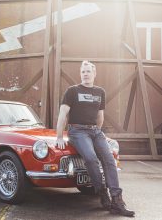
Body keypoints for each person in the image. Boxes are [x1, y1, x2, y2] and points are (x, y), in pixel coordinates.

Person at [56, 60, 135, 217]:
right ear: (80, 74)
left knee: (109, 159)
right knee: (91, 158)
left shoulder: (100, 92)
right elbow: (63, 114)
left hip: (95, 131)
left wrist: (98, 132)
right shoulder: (72, 91)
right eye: (83, 72)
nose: (85, 74)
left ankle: (117, 201)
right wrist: (59, 136)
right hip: (77, 131)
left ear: (94, 74)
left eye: (88, 71)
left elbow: (100, 116)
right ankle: (102, 192)